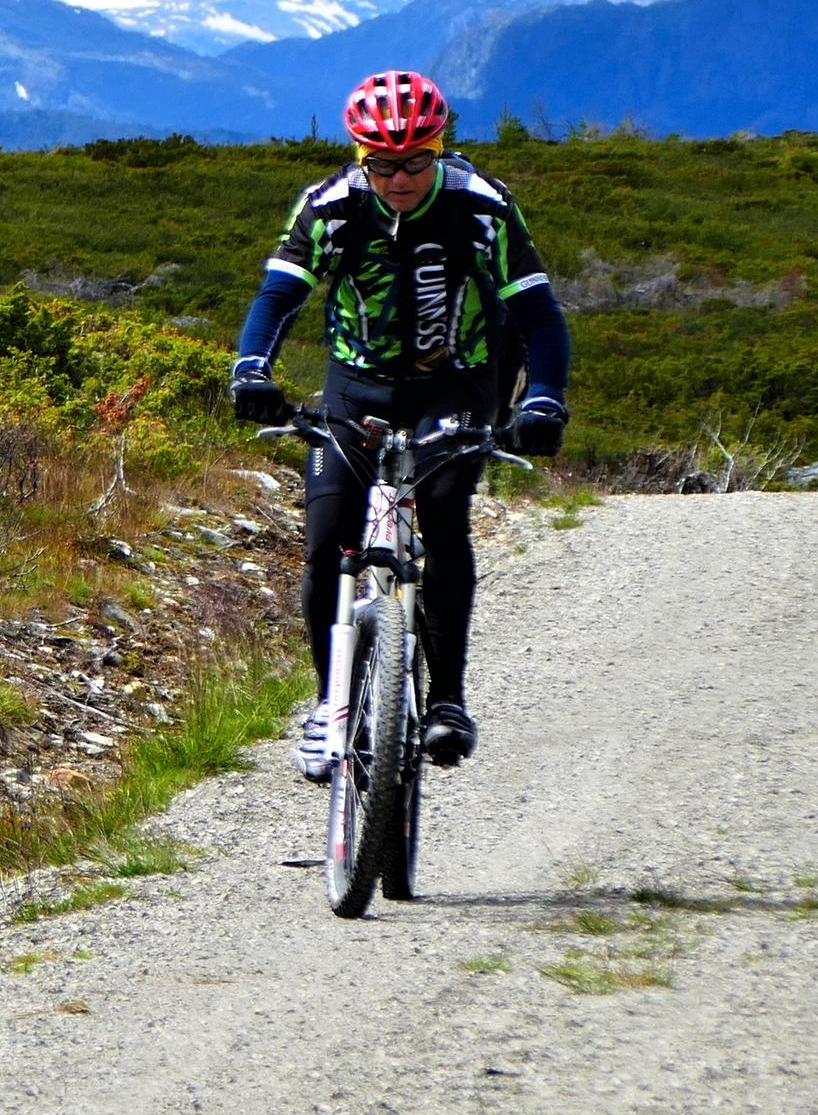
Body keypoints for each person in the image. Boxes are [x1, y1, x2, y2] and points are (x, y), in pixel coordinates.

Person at [228, 69, 570, 781]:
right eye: (382, 164)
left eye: (417, 160)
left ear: (440, 149)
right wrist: (251, 370)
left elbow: (537, 313)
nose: (401, 178)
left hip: (457, 381)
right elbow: (279, 295)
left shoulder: (481, 205)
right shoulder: (330, 207)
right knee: (327, 540)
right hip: (357, 384)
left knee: (444, 517)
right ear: (360, 158)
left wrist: (542, 398)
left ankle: (446, 700)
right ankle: (329, 702)